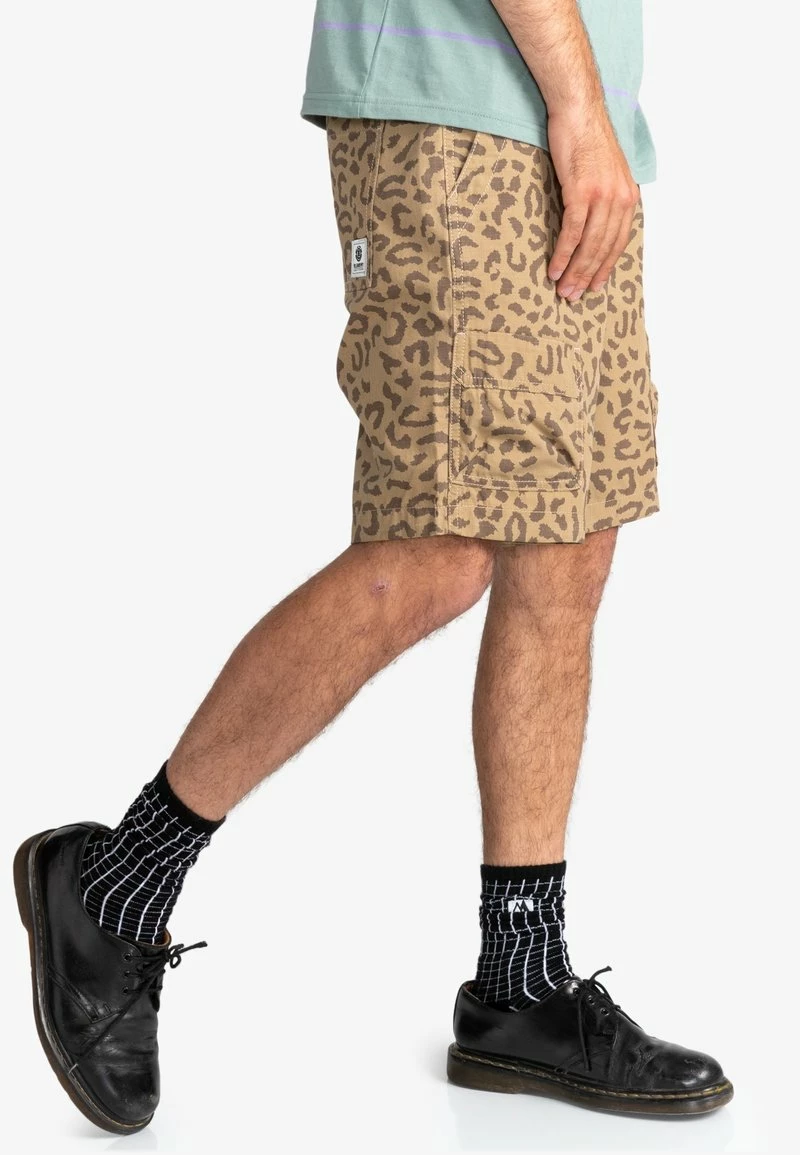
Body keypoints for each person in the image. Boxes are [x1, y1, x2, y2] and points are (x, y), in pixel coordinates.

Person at [14, 0, 732, 1134]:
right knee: (438, 545)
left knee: (567, 543)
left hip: (567, 116)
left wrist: (590, 110)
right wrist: (577, 104)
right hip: (468, 114)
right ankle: (116, 884)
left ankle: (521, 985)